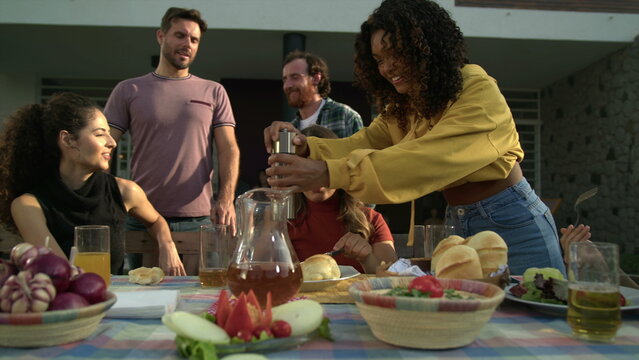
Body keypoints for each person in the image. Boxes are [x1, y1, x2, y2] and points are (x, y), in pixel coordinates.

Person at [264, 0, 565, 276]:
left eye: (395, 53)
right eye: (379, 59)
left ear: (426, 46)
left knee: (540, 321)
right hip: (460, 223)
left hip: (514, 223)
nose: (386, 68)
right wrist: (308, 147)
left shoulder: (476, 87)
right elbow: (363, 142)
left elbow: (427, 158)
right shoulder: (406, 107)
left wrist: (329, 172)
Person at [0, 92, 186, 275]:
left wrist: (167, 245)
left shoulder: (124, 191)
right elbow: (62, 274)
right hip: (68, 302)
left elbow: (156, 221)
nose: (112, 142)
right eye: (100, 134)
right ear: (68, 140)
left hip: (116, 300)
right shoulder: (29, 205)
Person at [104, 7, 240, 238]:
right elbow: (102, 146)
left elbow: (228, 148)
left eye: (194, 39)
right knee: (139, 276)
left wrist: (226, 199)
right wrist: (107, 198)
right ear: (161, 36)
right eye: (180, 35)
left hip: (198, 219)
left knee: (202, 277)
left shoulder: (213, 91)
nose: (188, 43)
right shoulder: (129, 90)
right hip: (142, 215)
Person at [288, 126, 396, 274]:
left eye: (321, 168)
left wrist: (367, 258)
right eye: (306, 170)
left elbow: (392, 277)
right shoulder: (282, 222)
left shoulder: (370, 219)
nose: (315, 180)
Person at [283, 51, 364, 138]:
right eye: (285, 79)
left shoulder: (344, 115)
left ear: (316, 78)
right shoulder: (289, 131)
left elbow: (361, 151)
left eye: (295, 77)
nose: (287, 85)